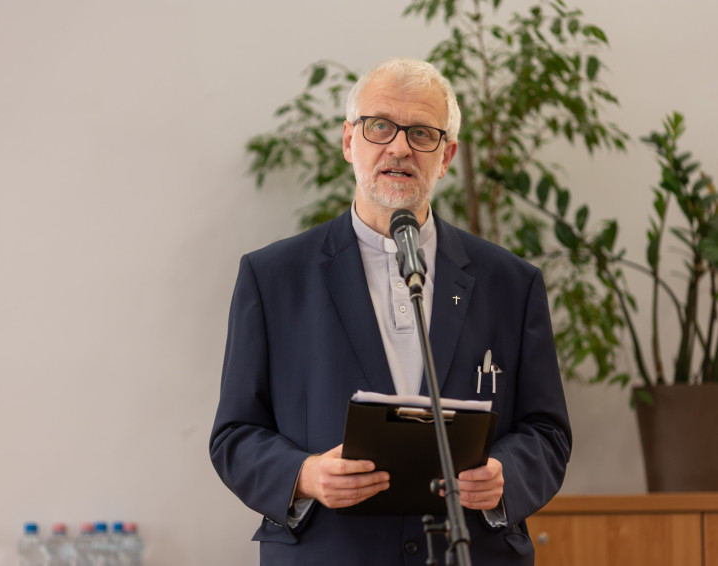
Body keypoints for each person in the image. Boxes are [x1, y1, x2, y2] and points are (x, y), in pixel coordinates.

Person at [209, 57, 571, 566]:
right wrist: (305, 475)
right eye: (379, 126)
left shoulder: (511, 283)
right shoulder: (272, 277)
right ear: (349, 141)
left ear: (446, 156)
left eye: (421, 133)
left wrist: (504, 475)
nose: (399, 147)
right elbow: (235, 435)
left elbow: (547, 432)